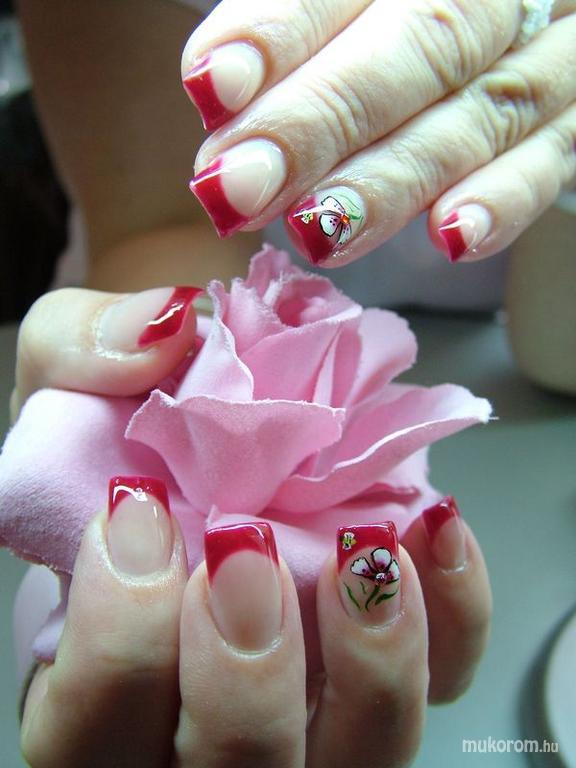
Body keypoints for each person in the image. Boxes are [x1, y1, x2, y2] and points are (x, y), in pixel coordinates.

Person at [10, 0, 575, 765]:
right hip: (174, 321)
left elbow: (555, 343)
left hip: (516, 357)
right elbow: (155, 223)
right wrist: (170, 359)